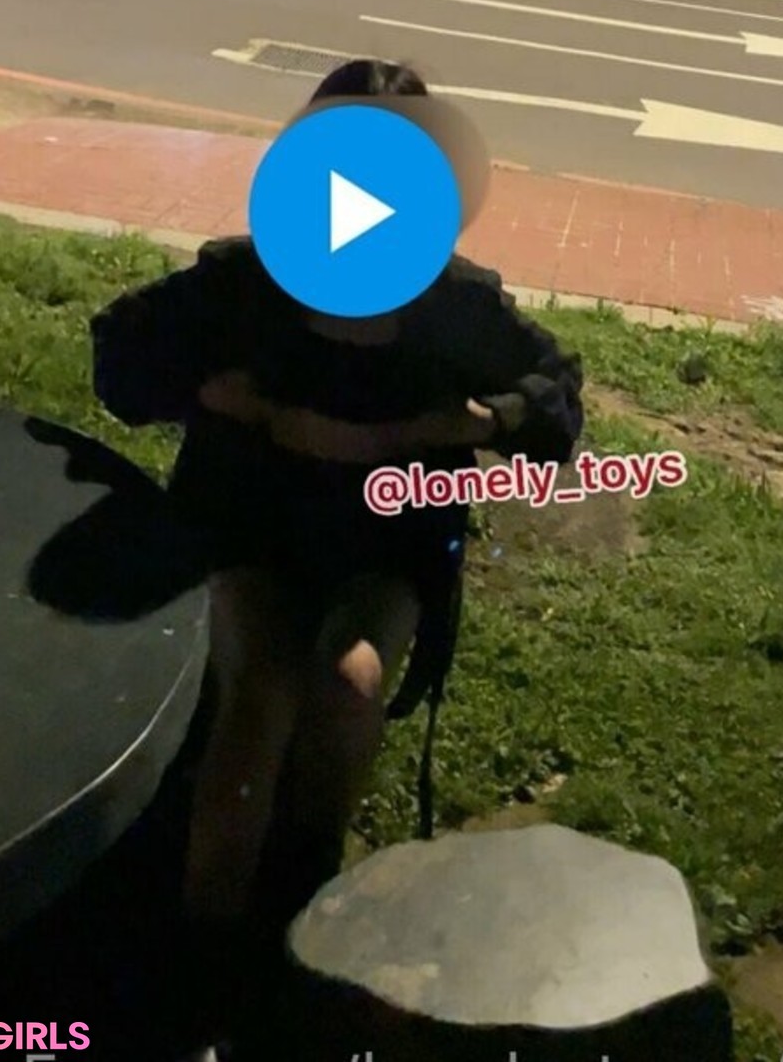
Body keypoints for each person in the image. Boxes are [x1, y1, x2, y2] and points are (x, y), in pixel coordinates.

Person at [90, 60, 583, 1049]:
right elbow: (122, 354)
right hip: (250, 524)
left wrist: (474, 419)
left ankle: (302, 896)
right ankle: (206, 947)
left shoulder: (454, 300)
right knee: (263, 686)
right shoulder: (244, 278)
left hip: (383, 543)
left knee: (348, 684)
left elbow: (557, 397)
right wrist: (213, 394)